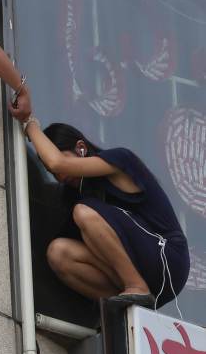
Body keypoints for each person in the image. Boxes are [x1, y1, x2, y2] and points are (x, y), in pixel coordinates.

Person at [16, 115, 190, 309]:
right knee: (58, 252)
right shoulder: (76, 197)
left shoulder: (120, 161)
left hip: (168, 258)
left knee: (84, 212)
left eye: (63, 159)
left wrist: (29, 123)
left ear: (80, 148)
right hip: (141, 272)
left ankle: (136, 287)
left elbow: (57, 163)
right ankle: (127, 308)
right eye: (52, 174)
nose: (59, 176)